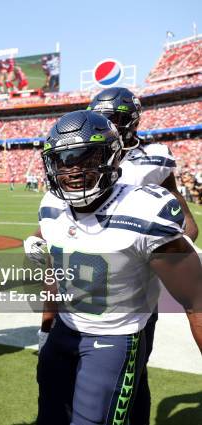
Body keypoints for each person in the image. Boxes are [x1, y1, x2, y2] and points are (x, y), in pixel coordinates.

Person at [36, 110, 202, 425]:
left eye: (86, 158)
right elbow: (55, 266)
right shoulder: (51, 205)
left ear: (113, 158)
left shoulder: (144, 210)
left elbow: (196, 298)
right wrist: (47, 322)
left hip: (114, 337)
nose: (72, 170)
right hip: (64, 331)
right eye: (63, 160)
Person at [88, 86, 199, 425]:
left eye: (115, 118)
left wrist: (157, 258)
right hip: (89, 279)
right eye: (102, 116)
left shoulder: (155, 156)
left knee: (132, 370)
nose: (107, 123)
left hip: (133, 284)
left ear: (132, 119)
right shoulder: (87, 153)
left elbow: (186, 223)